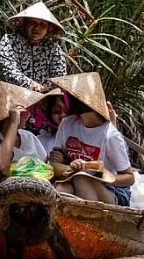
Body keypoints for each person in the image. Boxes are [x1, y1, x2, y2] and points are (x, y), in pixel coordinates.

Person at [47, 73, 135, 206]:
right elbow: (54, 163)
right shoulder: (67, 124)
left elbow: (129, 178)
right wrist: (73, 167)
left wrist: (102, 175)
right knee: (61, 188)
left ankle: (92, 221)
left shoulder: (110, 135)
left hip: (113, 191)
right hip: (74, 179)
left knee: (81, 177)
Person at [0, 82, 48, 206]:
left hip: (27, 205)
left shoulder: (28, 137)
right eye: (26, 110)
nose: (29, 115)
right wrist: (13, 122)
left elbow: (45, 168)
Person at [0, 1, 67, 92]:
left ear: (48, 29)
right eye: (32, 23)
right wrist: (31, 85)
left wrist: (45, 90)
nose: (37, 28)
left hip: (44, 96)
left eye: (42, 24)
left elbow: (59, 77)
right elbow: (8, 70)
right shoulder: (10, 41)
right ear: (25, 24)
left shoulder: (53, 48)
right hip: (13, 94)